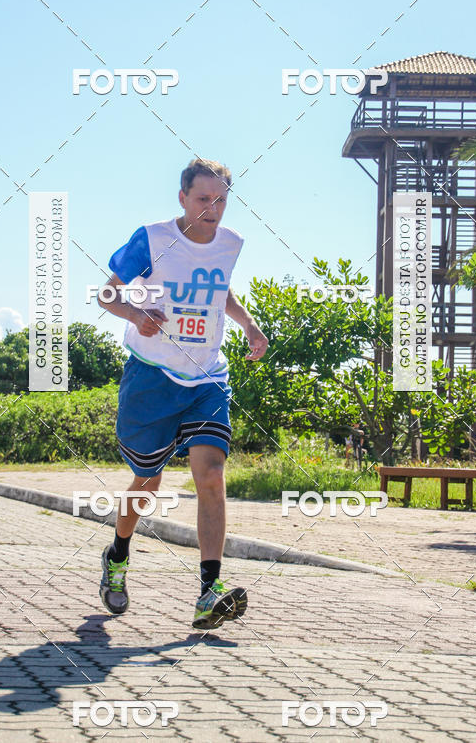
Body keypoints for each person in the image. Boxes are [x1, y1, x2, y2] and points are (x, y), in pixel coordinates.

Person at [96, 158, 268, 630]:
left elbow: (220, 292)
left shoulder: (231, 244)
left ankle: (208, 594)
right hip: (152, 376)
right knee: (147, 484)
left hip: (207, 379)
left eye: (220, 200)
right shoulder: (151, 239)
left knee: (211, 476)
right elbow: (107, 294)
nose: (212, 209)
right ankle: (117, 554)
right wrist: (136, 317)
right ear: (182, 198)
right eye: (202, 199)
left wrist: (249, 325)